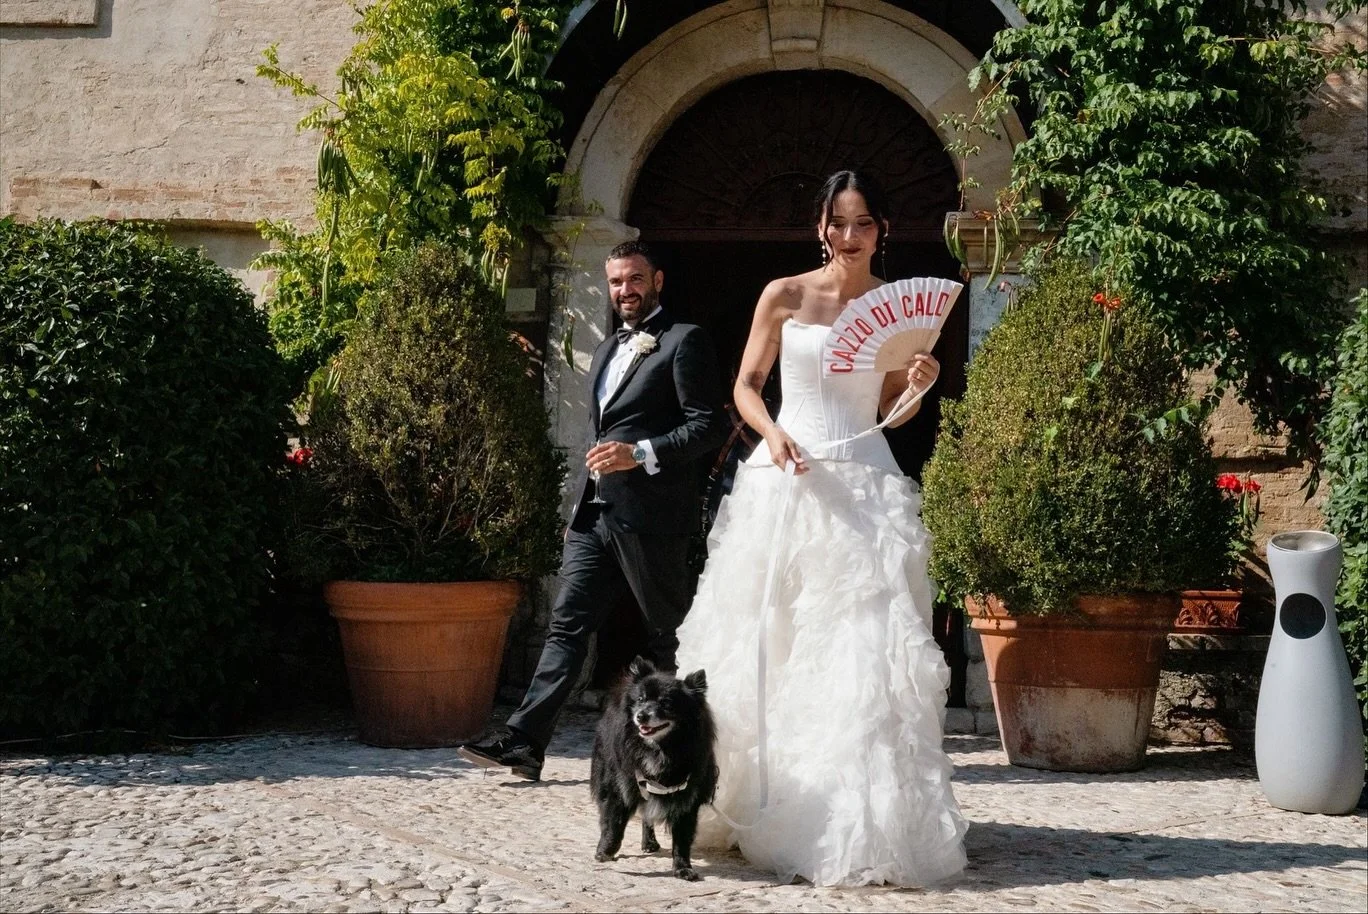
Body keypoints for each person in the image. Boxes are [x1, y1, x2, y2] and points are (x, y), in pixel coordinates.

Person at [674, 170, 968, 886]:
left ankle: (856, 819)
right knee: (770, 638)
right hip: (788, 475)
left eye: (863, 222)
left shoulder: (897, 309)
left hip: (866, 483)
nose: (850, 235)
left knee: (866, 650)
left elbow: (890, 412)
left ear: (882, 229)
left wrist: (918, 383)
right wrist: (772, 435)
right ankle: (754, 796)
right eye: (838, 222)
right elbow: (746, 385)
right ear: (820, 227)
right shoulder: (784, 294)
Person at [460, 240, 729, 782]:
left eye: (635, 279)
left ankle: (685, 753)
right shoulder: (606, 348)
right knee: (566, 626)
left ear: (657, 281)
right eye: (615, 282)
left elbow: (708, 425)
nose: (624, 290)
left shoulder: (684, 341)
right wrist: (579, 507)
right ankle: (525, 741)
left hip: (653, 520)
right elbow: (597, 434)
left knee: (668, 636)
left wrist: (641, 454)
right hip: (594, 517)